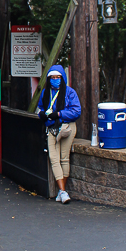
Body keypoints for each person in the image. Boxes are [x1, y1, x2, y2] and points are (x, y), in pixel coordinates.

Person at [37, 64, 81, 204]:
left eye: (57, 77)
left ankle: (61, 191)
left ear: (62, 78)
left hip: (66, 127)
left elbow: (76, 111)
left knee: (64, 158)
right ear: (48, 78)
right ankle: (62, 192)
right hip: (51, 128)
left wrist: (59, 114)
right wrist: (43, 115)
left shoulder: (69, 92)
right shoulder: (45, 93)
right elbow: (41, 109)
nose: (55, 80)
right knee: (54, 158)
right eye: (52, 77)